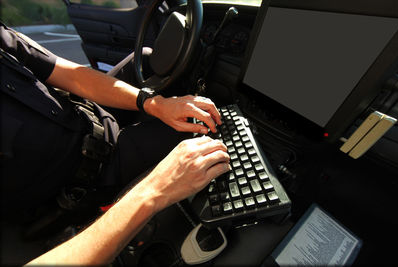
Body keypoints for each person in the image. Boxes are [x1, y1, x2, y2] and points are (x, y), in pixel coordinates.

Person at [0, 22, 231, 265]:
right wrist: (153, 190)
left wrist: (153, 103)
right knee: (203, 138)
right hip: (86, 176)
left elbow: (68, 74)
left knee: (147, 59)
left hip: (87, 114)